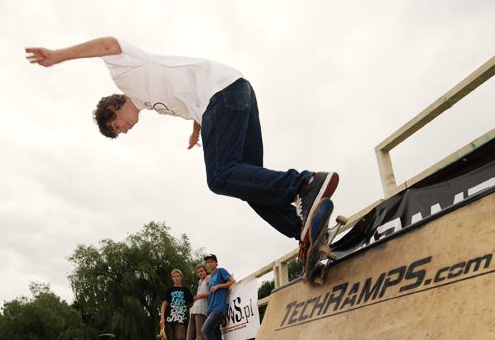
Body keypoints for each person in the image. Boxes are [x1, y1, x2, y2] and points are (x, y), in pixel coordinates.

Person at [25, 37, 340, 260]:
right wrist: (196, 130)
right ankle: (303, 229)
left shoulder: (126, 75)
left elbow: (108, 43)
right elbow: (194, 103)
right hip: (235, 93)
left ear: (115, 108)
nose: (125, 130)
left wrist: (59, 56)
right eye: (121, 132)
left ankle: (306, 183)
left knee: (219, 177)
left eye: (118, 126)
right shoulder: (154, 104)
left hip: (224, 93)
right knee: (248, 183)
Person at [201, 254, 236, 340]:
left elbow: (232, 281)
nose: (209, 263)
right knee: (215, 333)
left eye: (212, 261)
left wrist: (219, 286)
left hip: (219, 308)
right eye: (207, 262)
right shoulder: (211, 278)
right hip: (211, 308)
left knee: (205, 330)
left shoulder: (221, 271)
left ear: (216, 263)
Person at [159, 269, 193, 340]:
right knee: (171, 339)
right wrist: (162, 317)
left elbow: (192, 302)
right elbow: (164, 304)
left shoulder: (185, 289)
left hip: (181, 318)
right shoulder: (169, 290)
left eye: (177, 276)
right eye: (174, 276)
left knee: (181, 337)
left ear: (181, 277)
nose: (176, 278)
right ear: (172, 278)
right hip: (170, 317)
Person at [187, 263, 210, 340]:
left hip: (201, 310)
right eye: (198, 272)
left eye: (201, 271)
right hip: (194, 310)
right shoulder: (200, 282)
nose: (200, 273)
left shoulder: (209, 277)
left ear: (205, 271)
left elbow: (211, 292)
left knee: (200, 337)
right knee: (189, 339)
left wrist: (199, 296)